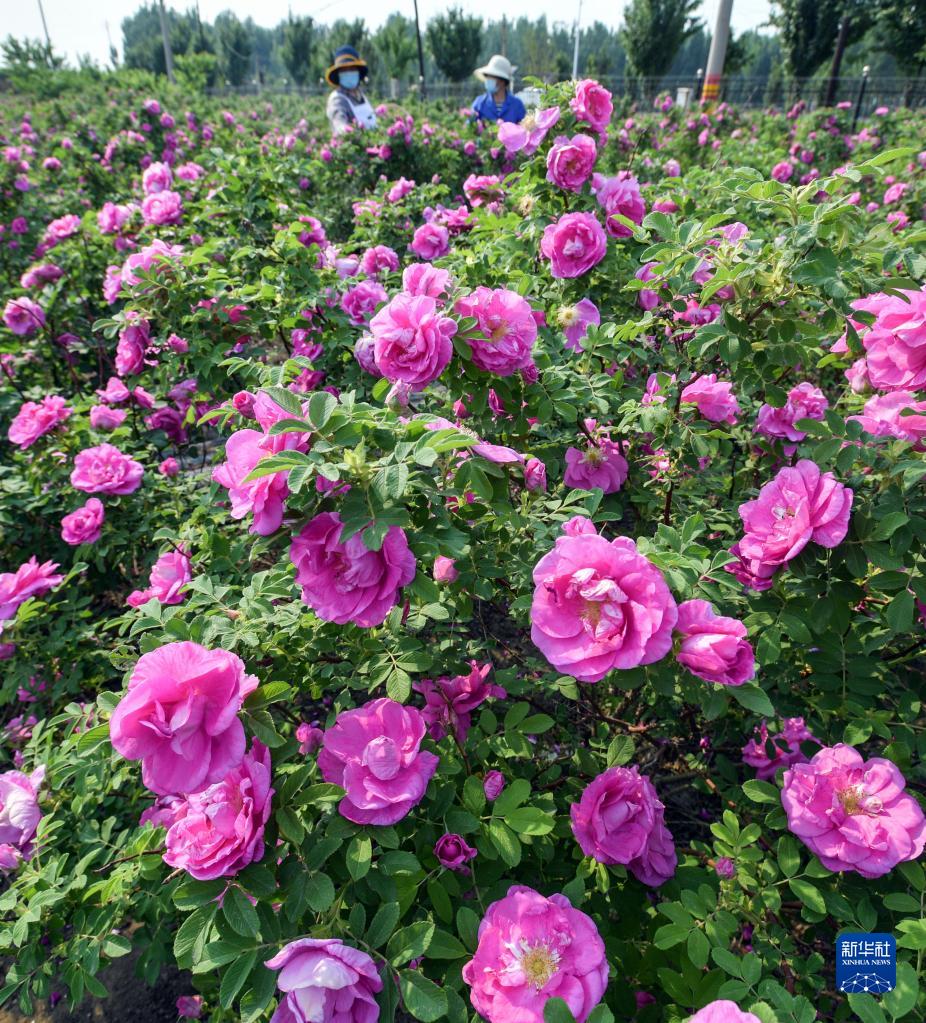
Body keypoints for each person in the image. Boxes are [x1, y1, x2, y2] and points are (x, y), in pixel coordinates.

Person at [325, 46, 378, 135]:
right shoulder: (337, 99)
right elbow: (339, 126)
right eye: (344, 70)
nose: (349, 72)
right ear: (339, 75)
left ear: (358, 72)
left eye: (352, 69)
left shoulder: (361, 96)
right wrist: (350, 133)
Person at [471, 54, 525, 124]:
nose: (487, 80)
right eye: (487, 76)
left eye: (491, 77)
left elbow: (523, 130)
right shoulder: (479, 104)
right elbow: (470, 128)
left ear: (502, 80)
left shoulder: (516, 105)